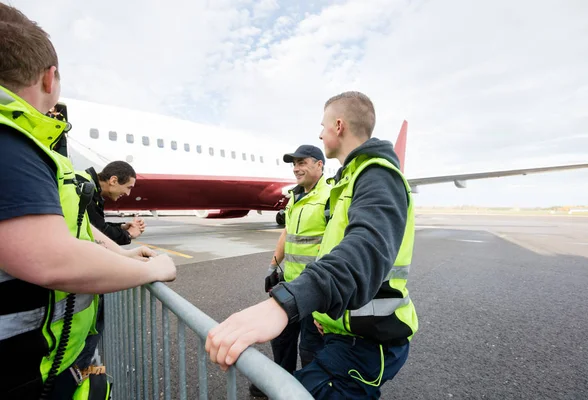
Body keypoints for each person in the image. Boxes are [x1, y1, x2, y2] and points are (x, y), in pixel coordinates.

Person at [0, 5, 176, 399]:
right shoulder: (10, 140)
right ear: (50, 78)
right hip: (23, 372)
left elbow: (74, 229)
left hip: (49, 360)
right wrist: (155, 269)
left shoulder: (25, 144)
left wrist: (125, 256)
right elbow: (51, 258)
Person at [206, 91, 418, 399]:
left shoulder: (377, 175)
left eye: (323, 126)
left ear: (339, 125)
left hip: (371, 339)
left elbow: (363, 254)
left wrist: (287, 303)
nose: (320, 133)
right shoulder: (348, 181)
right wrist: (324, 314)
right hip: (341, 330)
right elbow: (329, 251)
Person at [249, 145, 329, 397]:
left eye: (302, 162)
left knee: (310, 348)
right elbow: (288, 232)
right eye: (293, 163)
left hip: (314, 290)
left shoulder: (332, 196)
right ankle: (278, 384)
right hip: (290, 285)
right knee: (281, 339)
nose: (296, 168)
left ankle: (306, 392)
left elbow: (337, 244)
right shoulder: (295, 196)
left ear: (319, 165)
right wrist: (273, 264)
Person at [76, 161, 145, 245]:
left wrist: (122, 227)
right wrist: (129, 234)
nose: (128, 193)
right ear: (113, 181)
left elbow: (94, 223)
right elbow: (98, 232)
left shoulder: (86, 182)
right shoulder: (85, 189)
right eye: (128, 187)